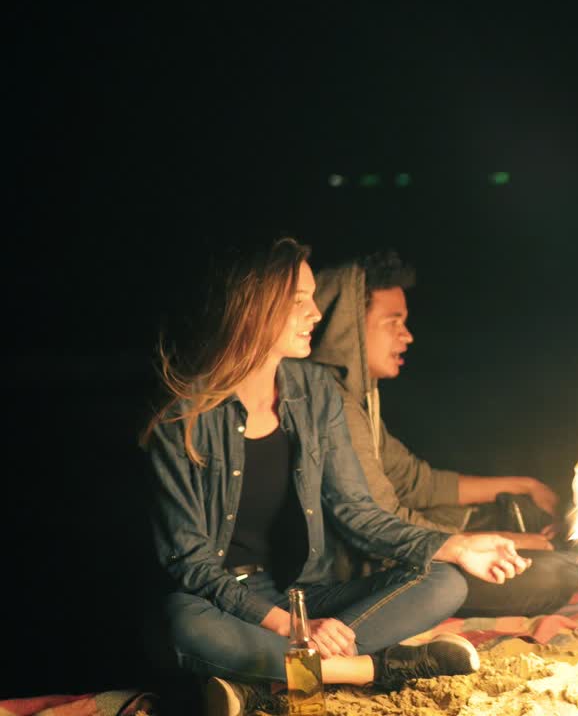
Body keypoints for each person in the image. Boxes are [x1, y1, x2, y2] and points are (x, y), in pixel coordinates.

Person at [141, 237, 530, 716]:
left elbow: (356, 510)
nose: (316, 314)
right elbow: (191, 563)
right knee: (181, 621)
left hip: (306, 591)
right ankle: (374, 669)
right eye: (299, 301)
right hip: (225, 603)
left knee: (445, 580)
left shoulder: (316, 391)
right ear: (252, 308)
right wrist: (291, 628)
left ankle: (261, 686)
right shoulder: (183, 418)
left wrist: (455, 545)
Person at [309, 250, 578, 617]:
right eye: (393, 322)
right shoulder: (331, 403)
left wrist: (523, 485)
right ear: (350, 327)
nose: (407, 336)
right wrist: (511, 542)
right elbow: (381, 522)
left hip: (407, 549)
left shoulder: (361, 399)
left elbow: (415, 481)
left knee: (530, 519)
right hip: (371, 570)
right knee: (556, 575)